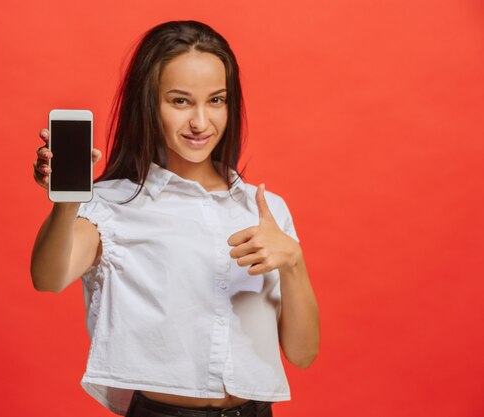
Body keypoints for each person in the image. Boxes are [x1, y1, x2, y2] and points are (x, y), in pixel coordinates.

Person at [31, 20, 320, 417]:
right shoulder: (113, 205)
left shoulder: (265, 210)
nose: (201, 122)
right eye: (180, 101)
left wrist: (293, 262)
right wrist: (67, 201)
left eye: (216, 100)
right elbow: (48, 278)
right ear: (148, 104)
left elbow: (303, 354)